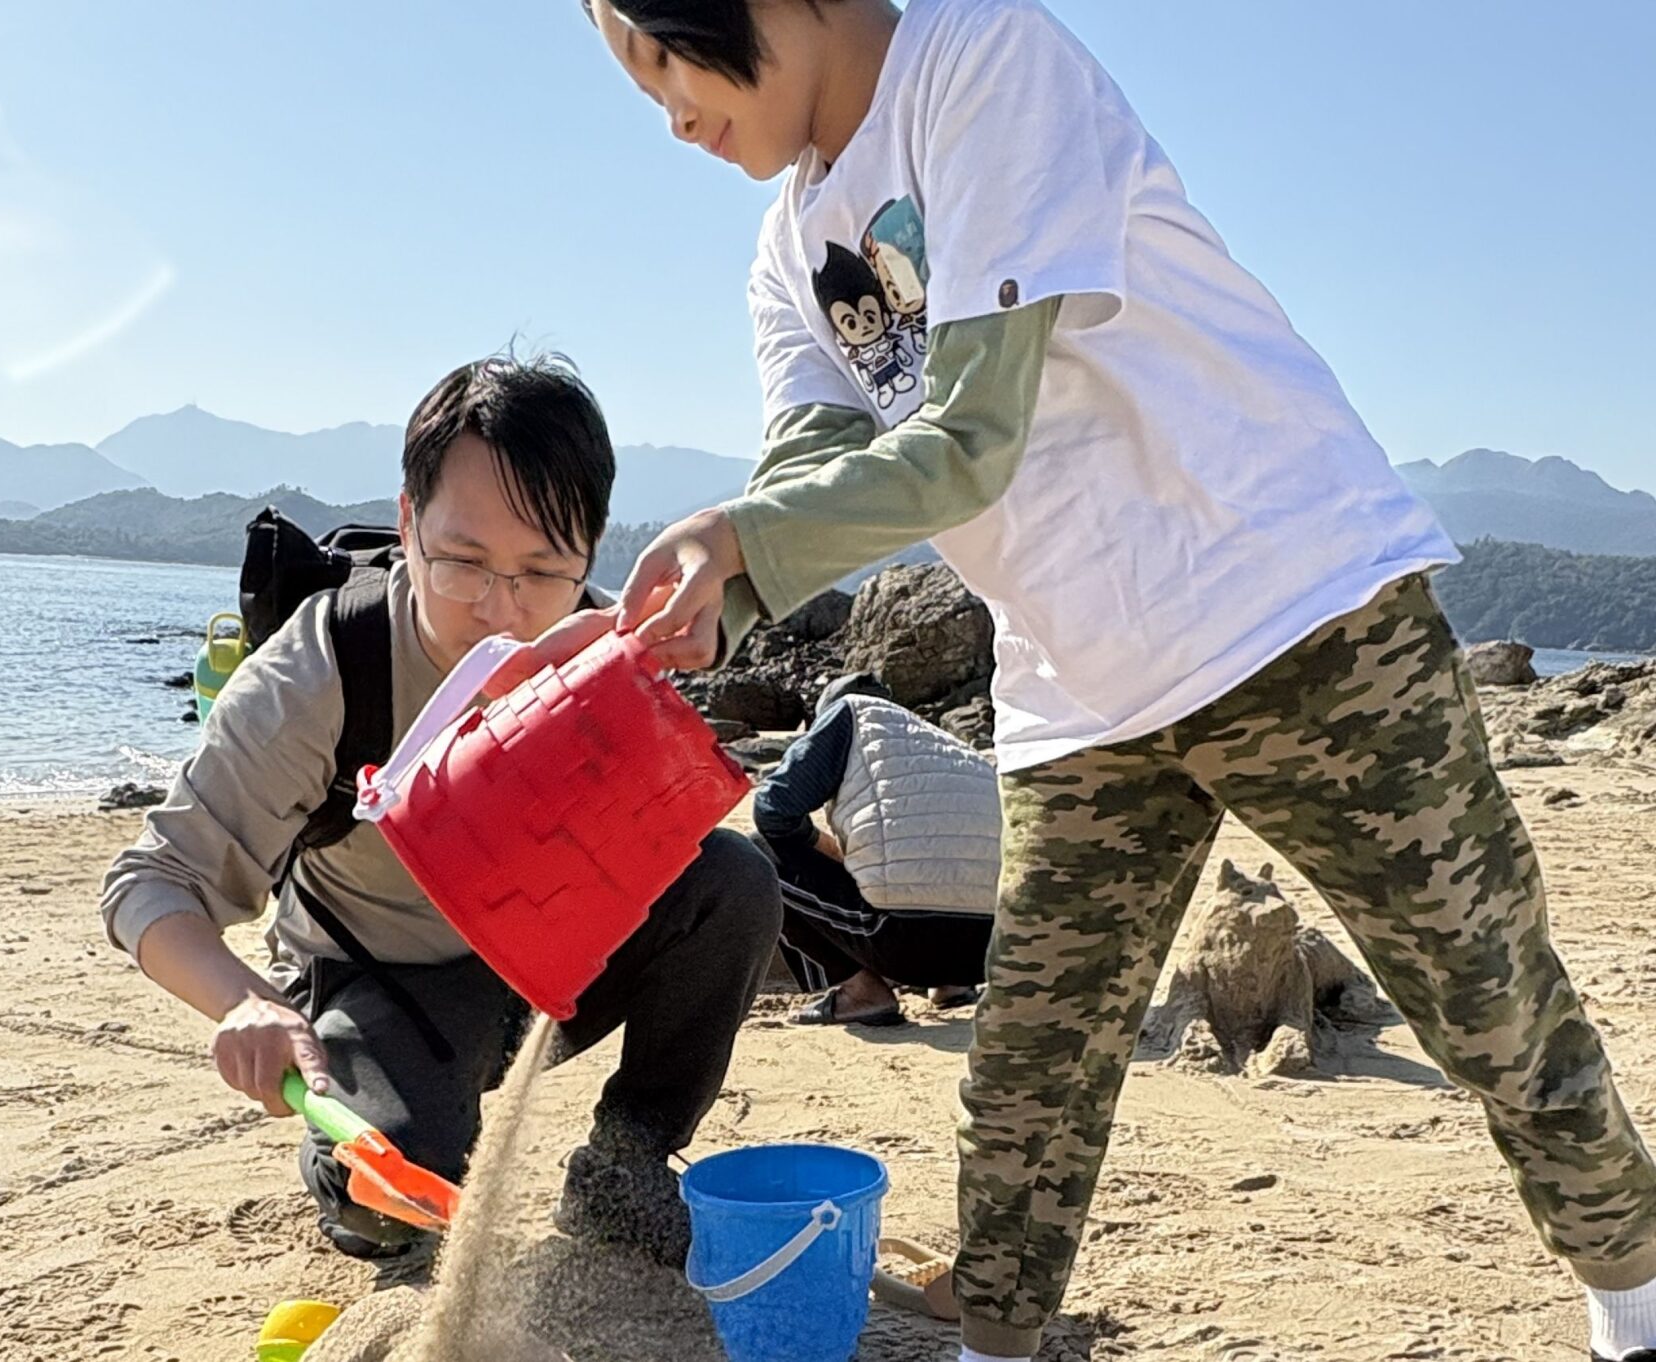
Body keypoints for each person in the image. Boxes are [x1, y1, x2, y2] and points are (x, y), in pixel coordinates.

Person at [489, 4, 1656, 1359]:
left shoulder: (985, 64)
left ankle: (1634, 1306)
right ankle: (993, 1346)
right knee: (1031, 1072)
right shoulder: (782, 254)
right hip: (1080, 692)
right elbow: (807, 478)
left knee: (1486, 995)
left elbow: (972, 439)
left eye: (667, 63)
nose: (674, 117)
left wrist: (739, 543)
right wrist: (695, 603)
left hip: (1295, 609)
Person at [100, 353, 781, 1271]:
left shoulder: (596, 650)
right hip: (384, 981)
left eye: (544, 571)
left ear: (591, 552)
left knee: (731, 881)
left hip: (546, 968)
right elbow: (149, 882)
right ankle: (369, 1141)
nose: (501, 611)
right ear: (409, 522)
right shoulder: (323, 675)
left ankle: (625, 1168)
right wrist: (248, 1008)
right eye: (463, 562)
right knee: (394, 1209)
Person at [753, 673, 999, 1026]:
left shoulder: (848, 715)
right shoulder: (949, 746)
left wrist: (828, 849)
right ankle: (952, 986)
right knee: (940, 855)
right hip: (986, 953)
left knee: (758, 855)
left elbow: (772, 810)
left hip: (906, 945)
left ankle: (861, 992)